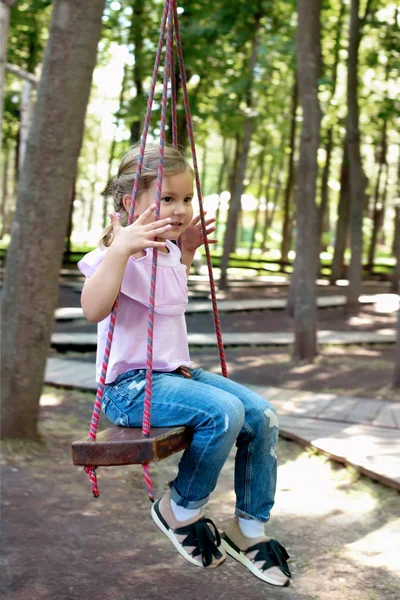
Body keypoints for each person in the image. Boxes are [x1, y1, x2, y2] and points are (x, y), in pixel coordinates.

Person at [78, 145, 291, 586]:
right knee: (223, 412)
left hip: (174, 376)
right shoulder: (115, 254)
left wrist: (187, 253)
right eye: (168, 198)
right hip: (129, 389)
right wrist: (121, 250)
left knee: (262, 416)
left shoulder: (168, 251)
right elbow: (93, 309)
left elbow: (167, 301)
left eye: (187, 199)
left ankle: (249, 529)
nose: (179, 209)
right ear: (129, 202)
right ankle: (180, 509)